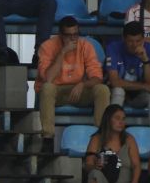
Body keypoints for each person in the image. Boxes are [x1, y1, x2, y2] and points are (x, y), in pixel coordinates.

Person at [33, 15, 109, 149]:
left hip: (78, 90)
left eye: (76, 34)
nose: (73, 39)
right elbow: (48, 79)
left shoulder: (86, 45)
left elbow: (97, 77)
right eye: (69, 35)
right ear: (60, 35)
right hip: (57, 92)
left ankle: (100, 139)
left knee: (102, 89)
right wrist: (62, 52)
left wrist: (83, 84)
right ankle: (48, 139)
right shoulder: (47, 46)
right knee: (47, 88)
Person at [81, 104, 144, 183]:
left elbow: (137, 165)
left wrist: (134, 182)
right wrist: (95, 165)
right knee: (94, 174)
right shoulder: (96, 139)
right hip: (104, 181)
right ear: (108, 119)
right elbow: (87, 164)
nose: (121, 122)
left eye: (123, 119)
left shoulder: (129, 139)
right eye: (117, 118)